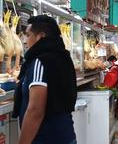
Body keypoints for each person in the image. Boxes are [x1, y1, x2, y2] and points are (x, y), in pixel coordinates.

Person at [12, 15, 77, 144]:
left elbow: (35, 111)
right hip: (66, 135)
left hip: (46, 138)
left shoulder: (40, 61)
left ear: (40, 36)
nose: (25, 41)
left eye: (28, 35)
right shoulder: (64, 58)